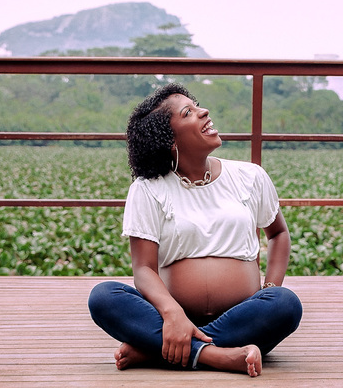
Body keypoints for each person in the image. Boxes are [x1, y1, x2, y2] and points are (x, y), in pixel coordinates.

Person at [88, 83, 302, 376]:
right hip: (170, 317)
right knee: (103, 297)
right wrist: (173, 313)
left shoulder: (249, 176)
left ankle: (158, 350)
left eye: (197, 105)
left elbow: (277, 234)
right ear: (170, 140)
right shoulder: (148, 189)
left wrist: (269, 289)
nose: (204, 111)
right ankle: (220, 356)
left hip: (242, 313)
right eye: (189, 112)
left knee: (285, 303)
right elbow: (144, 269)